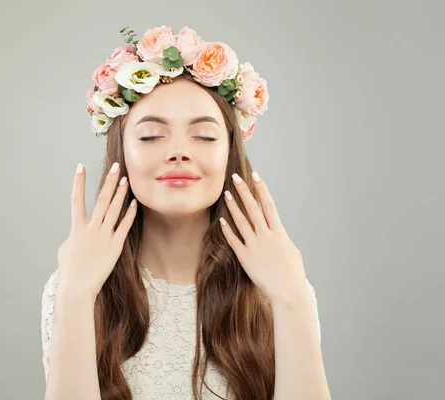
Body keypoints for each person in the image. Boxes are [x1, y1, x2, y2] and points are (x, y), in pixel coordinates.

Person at [41, 25, 331, 400]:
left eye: (205, 136)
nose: (178, 151)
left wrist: (291, 296)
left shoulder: (279, 289)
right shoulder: (71, 288)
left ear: (230, 154)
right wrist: (76, 295)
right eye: (150, 136)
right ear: (121, 153)